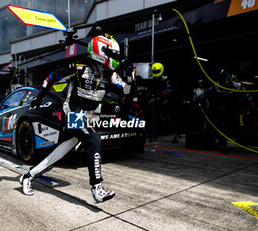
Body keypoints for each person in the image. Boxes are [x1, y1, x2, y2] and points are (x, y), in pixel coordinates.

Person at [19, 35, 134, 203]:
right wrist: (39, 97)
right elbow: (52, 77)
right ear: (101, 52)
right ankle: (97, 188)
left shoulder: (110, 75)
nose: (115, 58)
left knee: (60, 153)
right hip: (73, 112)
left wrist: (130, 75)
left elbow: (127, 92)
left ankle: (28, 176)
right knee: (94, 139)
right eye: (112, 54)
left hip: (87, 116)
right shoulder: (79, 67)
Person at [136, 62, 173, 142]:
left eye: (156, 72)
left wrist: (159, 97)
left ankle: (177, 134)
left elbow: (168, 90)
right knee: (152, 118)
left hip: (164, 102)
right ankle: (152, 134)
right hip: (155, 102)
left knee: (167, 119)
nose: (155, 73)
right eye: (154, 72)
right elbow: (150, 87)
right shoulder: (153, 80)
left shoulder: (165, 79)